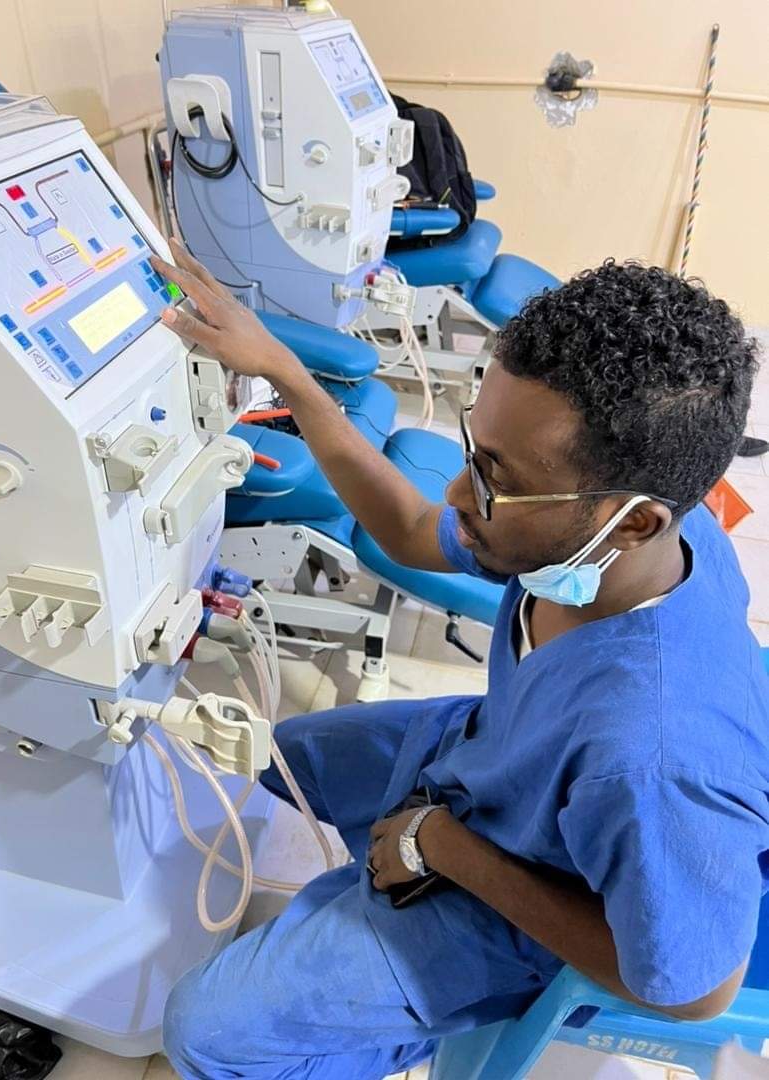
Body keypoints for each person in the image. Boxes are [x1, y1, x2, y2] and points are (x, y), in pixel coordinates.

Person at [151, 242, 769, 1080]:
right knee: (283, 758)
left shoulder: (652, 756)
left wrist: (444, 849)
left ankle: (398, 1021)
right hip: (504, 757)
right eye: (474, 450)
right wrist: (288, 376)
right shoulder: (612, 544)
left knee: (203, 1030)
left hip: (529, 888)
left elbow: (696, 991)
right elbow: (410, 530)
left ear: (631, 522)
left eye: (493, 477)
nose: (456, 493)